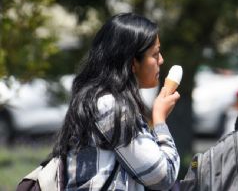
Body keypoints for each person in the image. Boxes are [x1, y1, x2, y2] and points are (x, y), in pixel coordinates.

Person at [50, 13, 180, 190]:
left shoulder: (101, 99)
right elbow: (163, 177)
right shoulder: (109, 105)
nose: (161, 60)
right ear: (133, 63)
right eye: (155, 54)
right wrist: (160, 120)